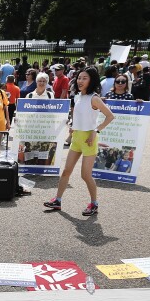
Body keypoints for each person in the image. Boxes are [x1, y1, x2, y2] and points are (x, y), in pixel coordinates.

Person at [44, 67, 115, 216]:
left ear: (92, 80)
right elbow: (81, 117)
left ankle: (94, 203)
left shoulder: (94, 98)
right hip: (76, 139)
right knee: (66, 171)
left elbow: (110, 116)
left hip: (89, 140)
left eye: (85, 78)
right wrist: (73, 127)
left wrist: (96, 131)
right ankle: (57, 200)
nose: (80, 81)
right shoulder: (77, 97)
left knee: (85, 175)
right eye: (79, 78)